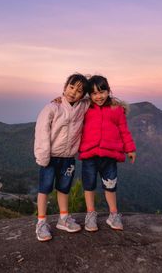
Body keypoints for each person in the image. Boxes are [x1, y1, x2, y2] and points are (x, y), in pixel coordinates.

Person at [33, 73, 90, 242]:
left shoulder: (82, 106)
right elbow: (42, 132)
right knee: (45, 189)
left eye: (79, 90)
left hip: (68, 157)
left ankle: (63, 219)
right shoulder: (52, 108)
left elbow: (97, 95)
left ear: (83, 95)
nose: (73, 92)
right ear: (65, 87)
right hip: (50, 156)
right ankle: (41, 222)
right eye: (71, 87)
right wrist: (43, 157)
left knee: (64, 188)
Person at [78, 75, 136, 232]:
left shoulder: (116, 110)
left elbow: (124, 130)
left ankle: (113, 214)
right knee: (88, 185)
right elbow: (70, 108)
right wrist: (59, 99)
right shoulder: (85, 108)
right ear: (89, 94)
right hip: (89, 154)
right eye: (94, 93)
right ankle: (90, 214)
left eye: (102, 92)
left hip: (109, 155)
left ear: (109, 91)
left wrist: (130, 149)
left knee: (110, 185)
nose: (98, 96)